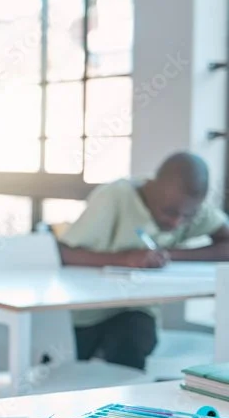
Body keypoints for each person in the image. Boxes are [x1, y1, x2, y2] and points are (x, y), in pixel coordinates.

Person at [58, 152, 229, 369]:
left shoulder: (185, 203)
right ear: (152, 187)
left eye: (188, 216)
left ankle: (126, 401)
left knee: (131, 341)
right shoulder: (115, 196)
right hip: (84, 315)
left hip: (134, 313)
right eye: (169, 212)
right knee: (71, 369)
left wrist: (168, 253)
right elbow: (63, 253)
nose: (177, 222)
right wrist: (125, 259)